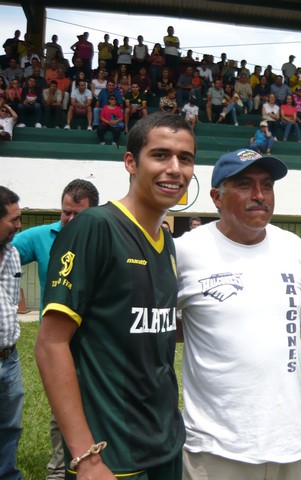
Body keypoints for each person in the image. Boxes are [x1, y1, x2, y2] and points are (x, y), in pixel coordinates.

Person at [176, 148, 301, 480]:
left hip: (290, 443)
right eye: (244, 184)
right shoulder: (186, 251)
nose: (259, 195)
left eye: (267, 185)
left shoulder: (291, 247)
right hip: (217, 448)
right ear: (216, 196)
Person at [35, 113, 195, 480]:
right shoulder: (96, 227)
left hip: (165, 445)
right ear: (130, 162)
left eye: (184, 158)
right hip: (112, 458)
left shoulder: (167, 242)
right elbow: (50, 345)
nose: (174, 169)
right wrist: (86, 458)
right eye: (160, 155)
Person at [11, 179, 98, 480]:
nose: (70, 220)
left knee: (102, 402)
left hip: (99, 338)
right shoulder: (41, 237)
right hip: (60, 339)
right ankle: (59, 469)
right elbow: (6, 255)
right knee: (62, 406)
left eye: (78, 214)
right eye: (65, 213)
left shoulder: (106, 236)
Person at [0, 186, 22, 480]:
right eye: (13, 219)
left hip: (10, 357)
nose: (18, 225)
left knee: (10, 426)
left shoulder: (14, 254)